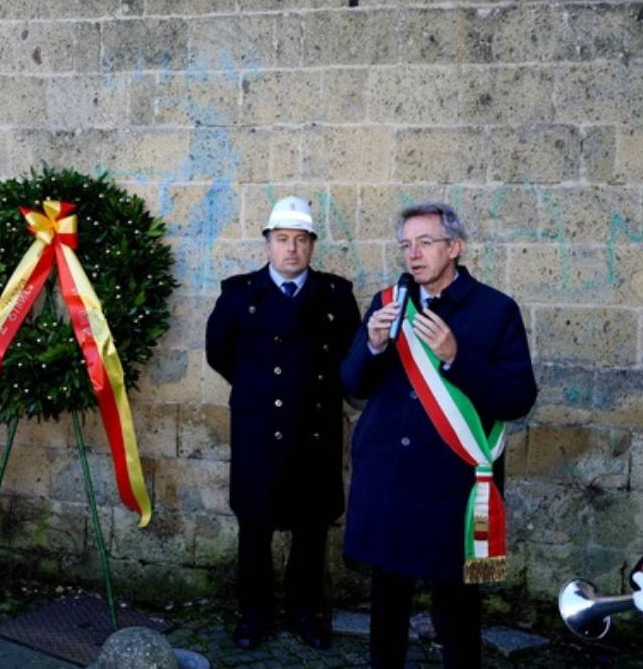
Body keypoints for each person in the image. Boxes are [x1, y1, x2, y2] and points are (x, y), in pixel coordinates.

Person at [341, 202, 537, 667]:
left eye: (425, 243)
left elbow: (517, 398)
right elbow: (351, 385)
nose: (413, 254)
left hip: (451, 485)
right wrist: (371, 346)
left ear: (455, 247)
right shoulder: (388, 303)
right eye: (406, 245)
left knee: (457, 610)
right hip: (389, 479)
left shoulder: (495, 310)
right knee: (387, 604)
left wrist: (455, 357)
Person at [206, 196, 361, 649]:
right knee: (254, 528)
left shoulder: (335, 295)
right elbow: (220, 353)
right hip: (259, 431)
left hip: (315, 429)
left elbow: (350, 360)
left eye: (300, 240)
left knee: (311, 530)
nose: (291, 249)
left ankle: (306, 610)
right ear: (268, 243)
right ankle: (252, 614)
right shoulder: (239, 293)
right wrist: (259, 391)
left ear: (311, 245)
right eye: (282, 240)